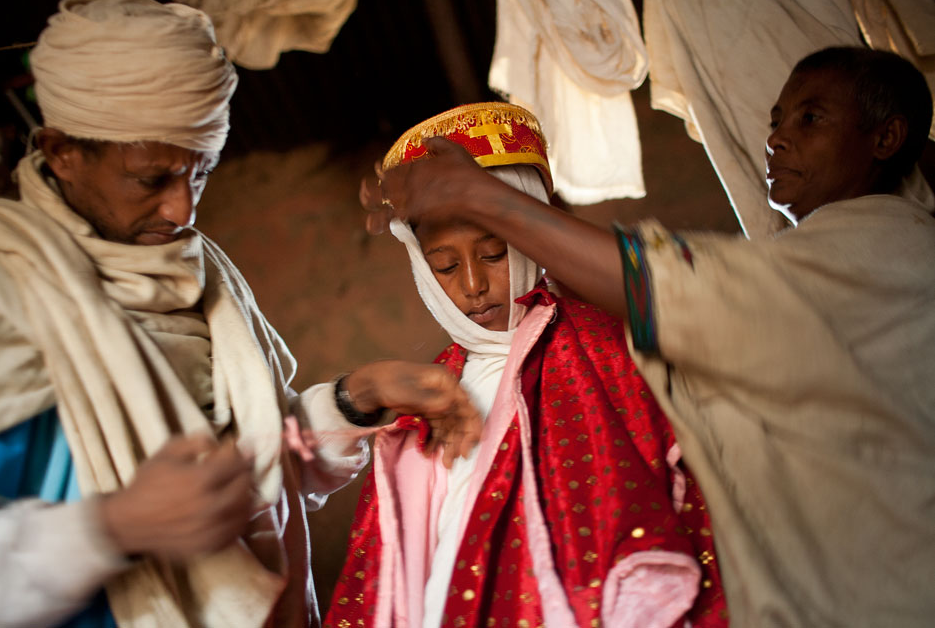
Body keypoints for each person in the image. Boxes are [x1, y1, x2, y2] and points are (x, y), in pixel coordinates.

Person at [364, 48, 935, 627]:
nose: (777, 139)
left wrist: (482, 196)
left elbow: (673, 287)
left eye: (811, 118)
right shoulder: (811, 262)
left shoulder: (888, 249)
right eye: (775, 121)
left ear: (886, 138)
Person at [0, 0, 479, 627]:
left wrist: (359, 395)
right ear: (61, 151)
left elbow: (263, 470)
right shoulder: (8, 288)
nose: (181, 212)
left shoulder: (201, 271)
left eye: (201, 173)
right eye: (151, 178)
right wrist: (111, 527)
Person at [326, 102, 728, 628]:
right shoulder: (425, 395)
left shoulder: (601, 346)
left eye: (493, 254)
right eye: (444, 266)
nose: (472, 285)